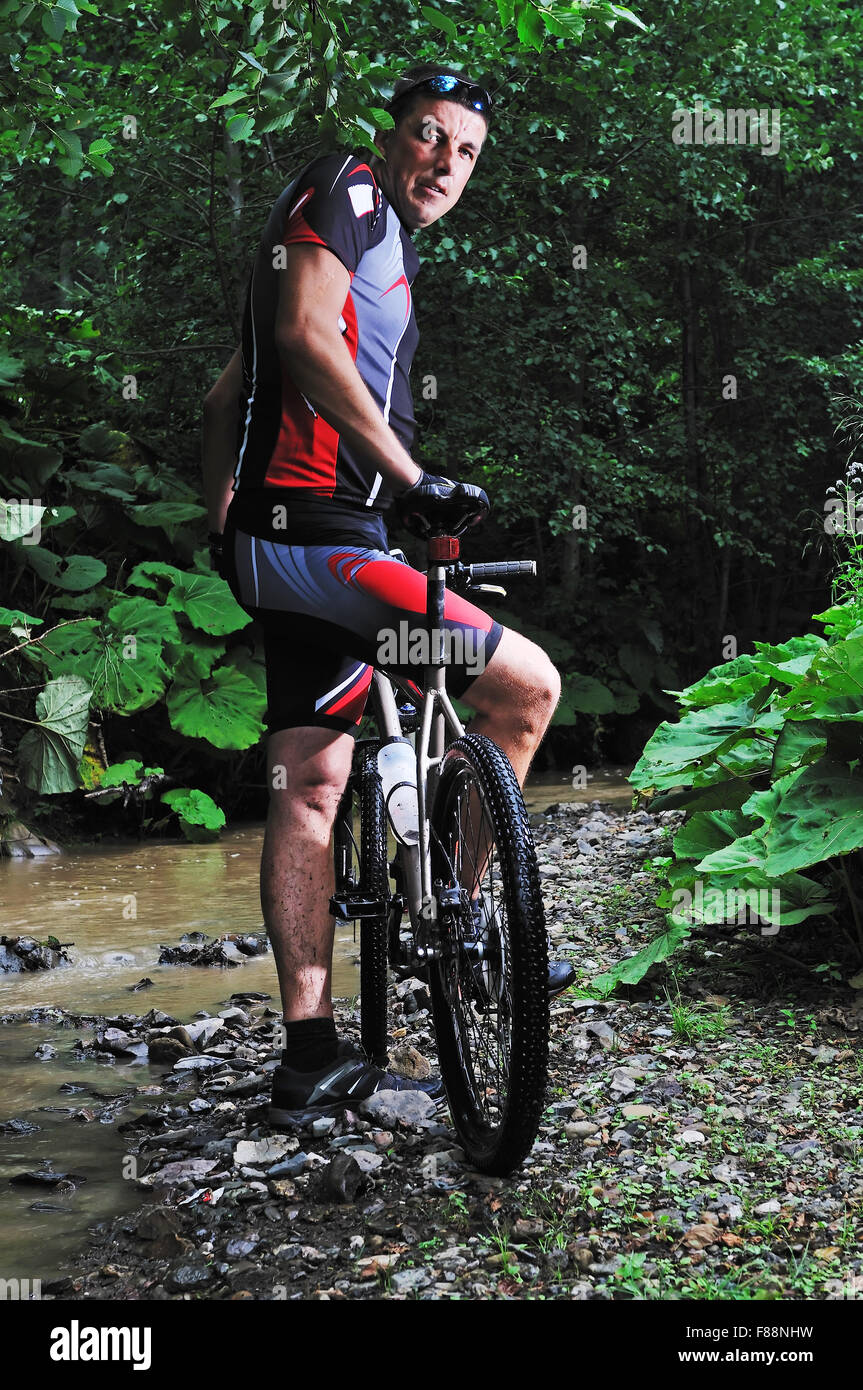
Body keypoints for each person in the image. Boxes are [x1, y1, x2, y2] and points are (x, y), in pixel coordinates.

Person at [202, 64, 574, 1123]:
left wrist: (220, 517)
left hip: (295, 551)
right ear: (391, 134)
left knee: (312, 781)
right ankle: (464, 913)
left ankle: (311, 1054)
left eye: (464, 153)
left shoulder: (368, 235)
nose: (443, 164)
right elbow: (300, 340)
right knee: (522, 686)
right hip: (327, 543)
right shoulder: (350, 189)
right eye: (429, 136)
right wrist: (411, 481)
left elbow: (226, 389)